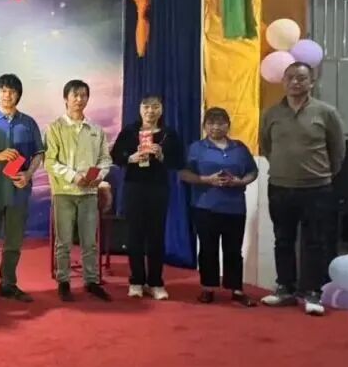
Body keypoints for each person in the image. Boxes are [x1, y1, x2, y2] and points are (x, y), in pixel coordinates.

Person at [260, 62, 345, 316]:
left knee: (314, 242)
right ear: (283, 82)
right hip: (280, 187)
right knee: (282, 239)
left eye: (301, 78)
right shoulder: (272, 113)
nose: (295, 82)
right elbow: (266, 146)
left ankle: (312, 292)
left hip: (316, 189)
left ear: (312, 82)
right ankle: (285, 288)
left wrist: (319, 174)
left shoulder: (326, 112)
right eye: (290, 78)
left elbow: (337, 151)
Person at [0, 74, 45, 306]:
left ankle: (8, 285)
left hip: (19, 192)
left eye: (12, 91)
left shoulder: (28, 123)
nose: (7, 95)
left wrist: (28, 174)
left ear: (18, 95)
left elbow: (39, 153)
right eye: (3, 90)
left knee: (13, 243)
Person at [180, 107, 258, 306]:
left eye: (221, 123)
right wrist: (206, 179)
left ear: (228, 125)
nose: (216, 127)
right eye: (211, 123)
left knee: (234, 250)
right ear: (204, 126)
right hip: (205, 206)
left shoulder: (239, 148)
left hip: (234, 207)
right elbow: (184, 174)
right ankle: (208, 288)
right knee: (208, 249)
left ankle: (236, 289)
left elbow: (253, 171)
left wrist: (240, 182)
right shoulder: (196, 148)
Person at [45, 79, 113, 303]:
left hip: (89, 194)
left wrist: (99, 176)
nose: (79, 99)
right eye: (75, 95)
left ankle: (91, 281)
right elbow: (50, 161)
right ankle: (63, 281)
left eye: (83, 95)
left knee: (89, 241)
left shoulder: (96, 130)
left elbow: (105, 159)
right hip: (64, 192)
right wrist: (74, 176)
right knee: (63, 241)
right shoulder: (54, 128)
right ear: (66, 98)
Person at [111, 95, 185, 300]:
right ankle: (136, 281)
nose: (150, 111)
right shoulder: (129, 131)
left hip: (158, 188)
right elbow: (115, 156)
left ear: (161, 110)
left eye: (155, 107)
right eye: (146, 107)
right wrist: (130, 158)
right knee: (134, 235)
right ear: (140, 109)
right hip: (134, 187)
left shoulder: (169, 134)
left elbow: (179, 162)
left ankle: (155, 282)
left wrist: (162, 156)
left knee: (156, 235)